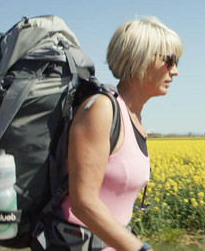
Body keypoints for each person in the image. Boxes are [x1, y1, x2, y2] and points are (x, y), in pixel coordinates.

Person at [60, 16, 182, 251]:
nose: (175, 71)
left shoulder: (132, 116)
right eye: (169, 60)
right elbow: (82, 202)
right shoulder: (101, 109)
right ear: (137, 59)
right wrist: (139, 249)